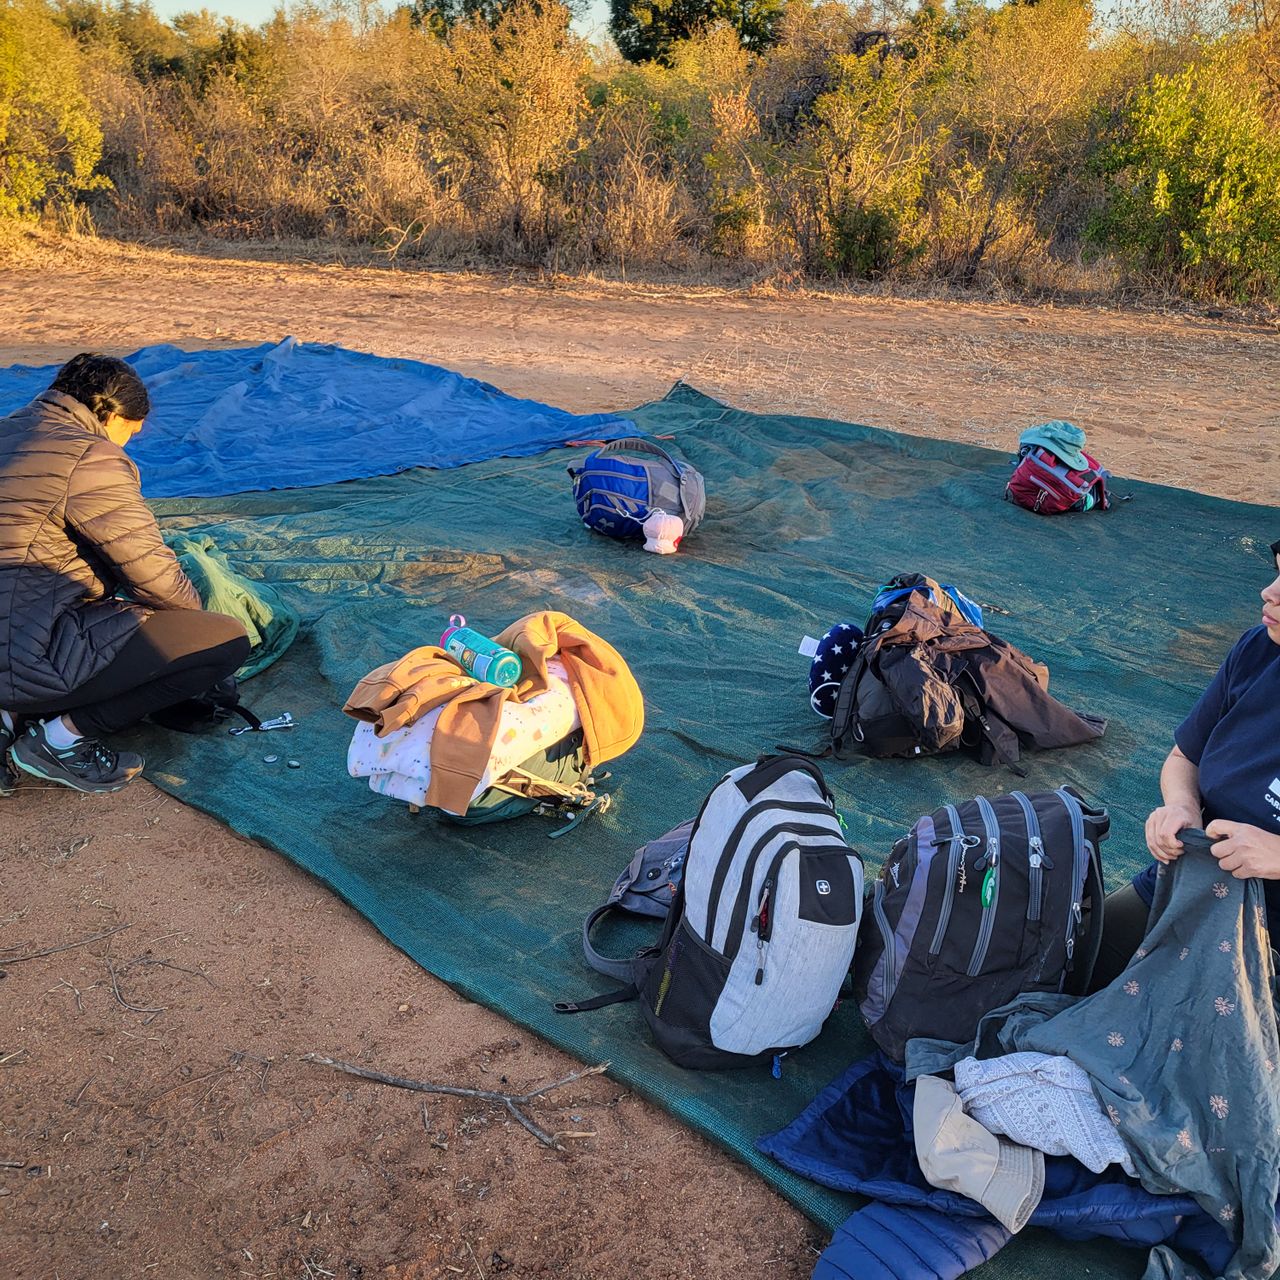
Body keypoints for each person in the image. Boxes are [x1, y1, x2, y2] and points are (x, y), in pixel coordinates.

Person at [0, 353, 249, 795]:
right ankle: (60, 740)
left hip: (16, 634)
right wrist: (198, 640)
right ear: (110, 414)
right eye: (129, 433)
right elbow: (153, 576)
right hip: (22, 658)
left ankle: (7, 718)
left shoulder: (8, 429)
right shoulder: (89, 457)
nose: (126, 445)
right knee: (223, 640)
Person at [1092, 539, 1280, 988]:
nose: (1269, 592)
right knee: (1069, 957)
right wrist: (1183, 808)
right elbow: (1184, 757)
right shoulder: (1259, 651)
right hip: (1194, 885)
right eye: (1277, 571)